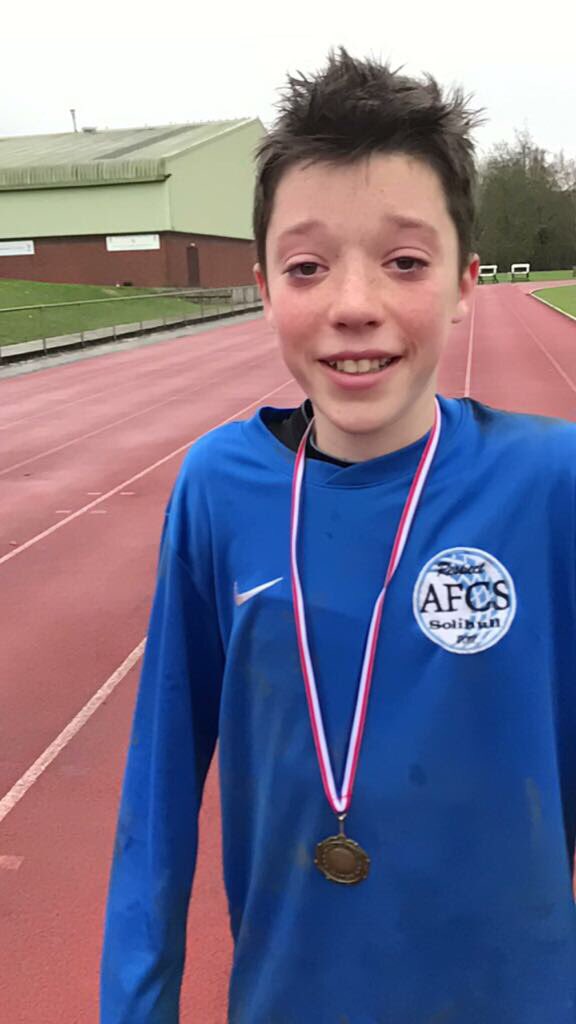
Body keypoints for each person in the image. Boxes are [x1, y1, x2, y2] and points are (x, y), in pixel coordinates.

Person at [100, 48, 576, 1023]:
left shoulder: (548, 484)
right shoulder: (217, 493)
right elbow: (154, 806)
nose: (354, 303)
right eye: (310, 266)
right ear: (266, 286)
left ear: (462, 282)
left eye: (404, 261)